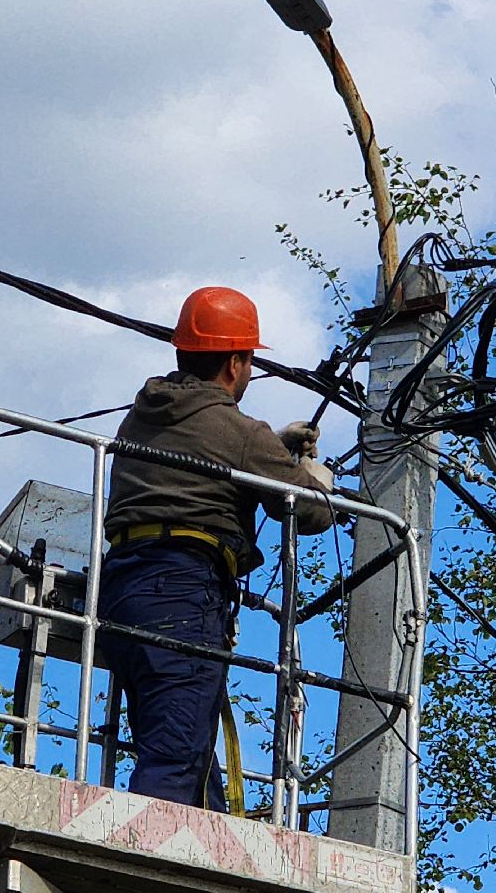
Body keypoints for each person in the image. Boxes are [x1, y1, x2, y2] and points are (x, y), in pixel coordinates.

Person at [98, 285, 335, 811]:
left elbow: (201, 449)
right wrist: (315, 478)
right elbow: (310, 511)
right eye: (249, 361)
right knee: (177, 756)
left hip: (123, 588)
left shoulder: (143, 414)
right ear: (235, 362)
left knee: (183, 747)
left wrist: (273, 442)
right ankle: (152, 858)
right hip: (183, 590)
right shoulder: (239, 432)